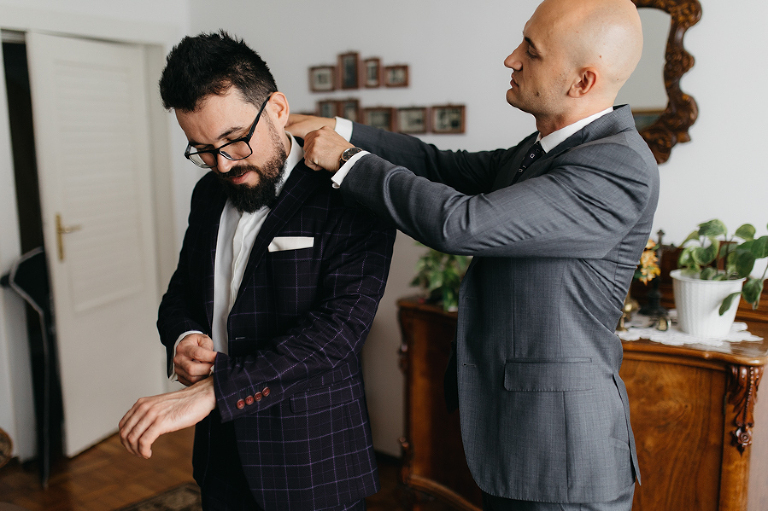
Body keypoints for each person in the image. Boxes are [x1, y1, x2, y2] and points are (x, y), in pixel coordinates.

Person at [286, 0, 658, 509]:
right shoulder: (543, 149)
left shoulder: (616, 165)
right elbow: (441, 165)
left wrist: (347, 162)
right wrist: (341, 128)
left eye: (531, 50)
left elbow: (462, 223)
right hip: (518, 440)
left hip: (563, 456)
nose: (511, 58)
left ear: (583, 81)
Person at [118, 32, 395, 511]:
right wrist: (184, 337)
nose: (223, 164)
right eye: (202, 149)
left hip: (312, 460)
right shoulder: (207, 194)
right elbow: (183, 289)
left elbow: (338, 332)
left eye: (233, 140)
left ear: (278, 109)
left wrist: (215, 391)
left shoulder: (351, 194)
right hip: (220, 455)